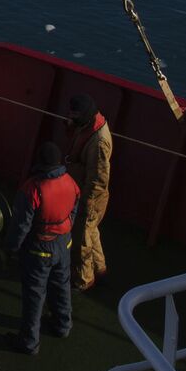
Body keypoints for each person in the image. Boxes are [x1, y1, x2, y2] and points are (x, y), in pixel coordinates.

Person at [4, 140, 79, 354]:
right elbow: (73, 211)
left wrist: (11, 249)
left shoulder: (33, 189)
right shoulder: (71, 182)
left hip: (39, 248)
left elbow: (21, 225)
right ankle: (62, 325)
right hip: (64, 243)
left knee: (35, 294)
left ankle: (29, 341)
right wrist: (63, 231)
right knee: (61, 286)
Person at [67, 93, 113, 290]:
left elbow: (99, 178)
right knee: (91, 232)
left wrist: (87, 201)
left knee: (81, 238)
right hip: (85, 189)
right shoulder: (90, 124)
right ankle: (100, 270)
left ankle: (84, 280)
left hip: (92, 195)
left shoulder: (100, 142)